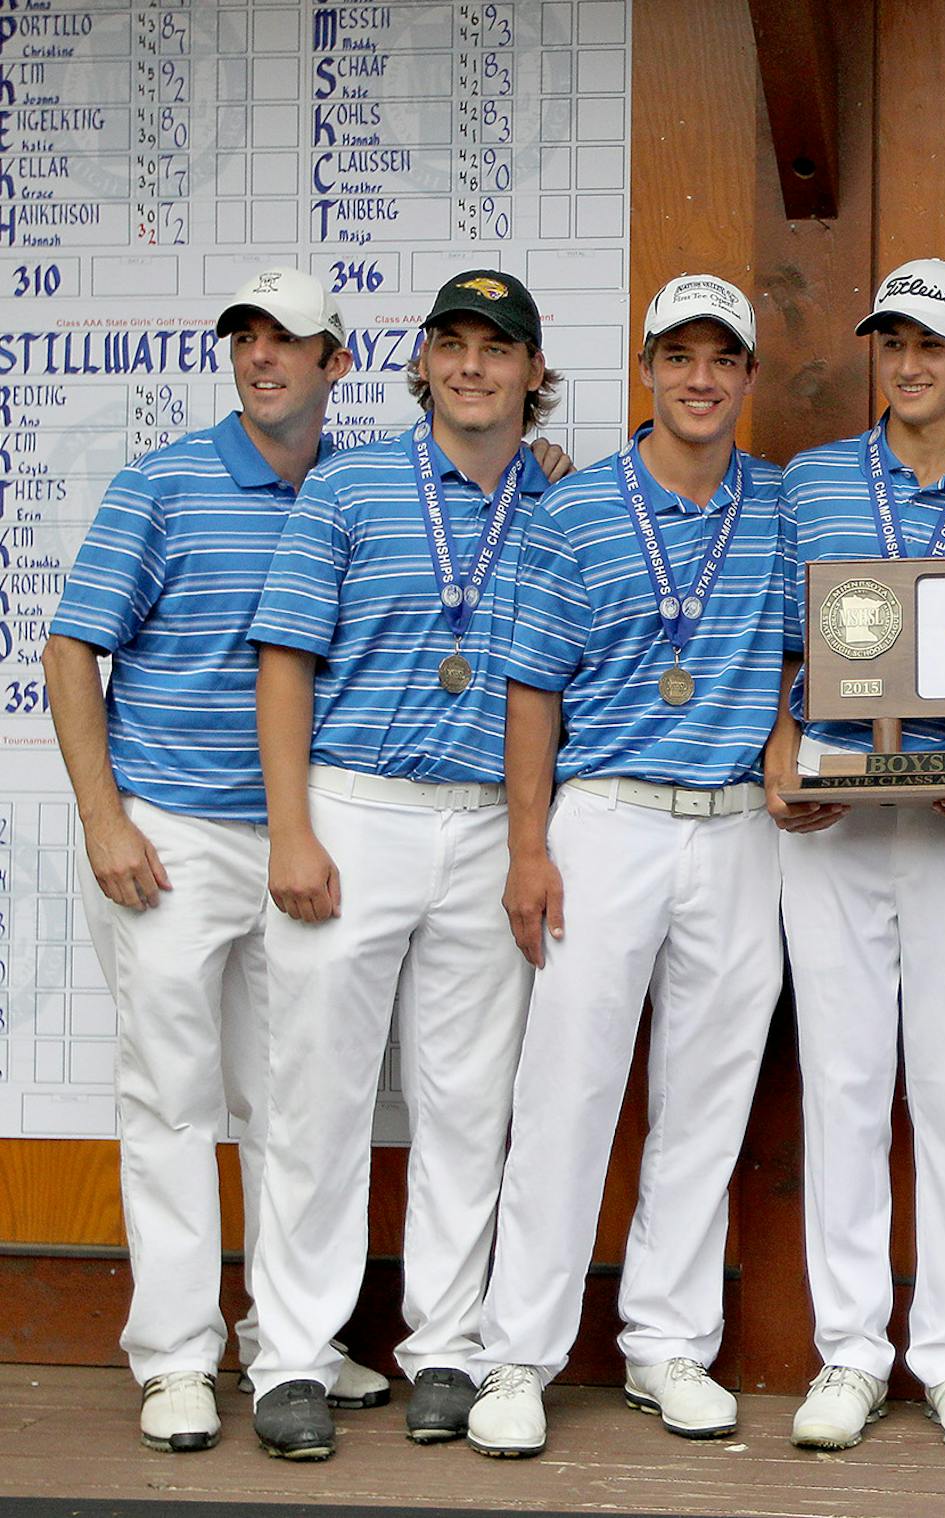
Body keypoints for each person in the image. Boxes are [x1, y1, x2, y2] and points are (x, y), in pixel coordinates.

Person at [44, 267, 390, 1453]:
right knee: (175, 1104)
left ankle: (289, 1342)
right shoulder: (165, 483)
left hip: (310, 835)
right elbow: (71, 647)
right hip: (174, 839)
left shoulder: (365, 487)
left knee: (300, 1106)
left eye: (289, 340)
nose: (262, 356)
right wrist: (102, 817)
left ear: (335, 362)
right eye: (247, 335)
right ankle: (178, 1358)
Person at [458, 275, 789, 1457]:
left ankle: (666, 1346)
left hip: (742, 826)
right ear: (646, 369)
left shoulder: (786, 505)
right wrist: (528, 848)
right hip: (606, 818)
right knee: (567, 1093)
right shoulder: (577, 509)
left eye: (723, 360)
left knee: (707, 1097)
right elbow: (530, 689)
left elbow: (812, 658)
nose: (701, 379)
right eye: (678, 357)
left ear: (748, 379)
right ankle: (517, 1358)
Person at [243, 270, 559, 1459]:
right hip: (355, 809)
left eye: (499, 348)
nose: (473, 366)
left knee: (469, 1105)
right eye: (453, 344)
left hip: (489, 821)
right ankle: (290, 1356)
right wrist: (290, 829)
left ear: (534, 373)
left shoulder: (562, 504)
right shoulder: (349, 487)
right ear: (421, 361)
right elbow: (286, 664)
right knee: (315, 1096)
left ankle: (446, 1348)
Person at [765, 259, 945, 1455]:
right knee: (841, 1088)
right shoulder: (812, 482)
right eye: (891, 340)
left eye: (933, 343)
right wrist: (779, 747)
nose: (910, 362)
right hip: (837, 815)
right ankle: (850, 1353)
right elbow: (763, 635)